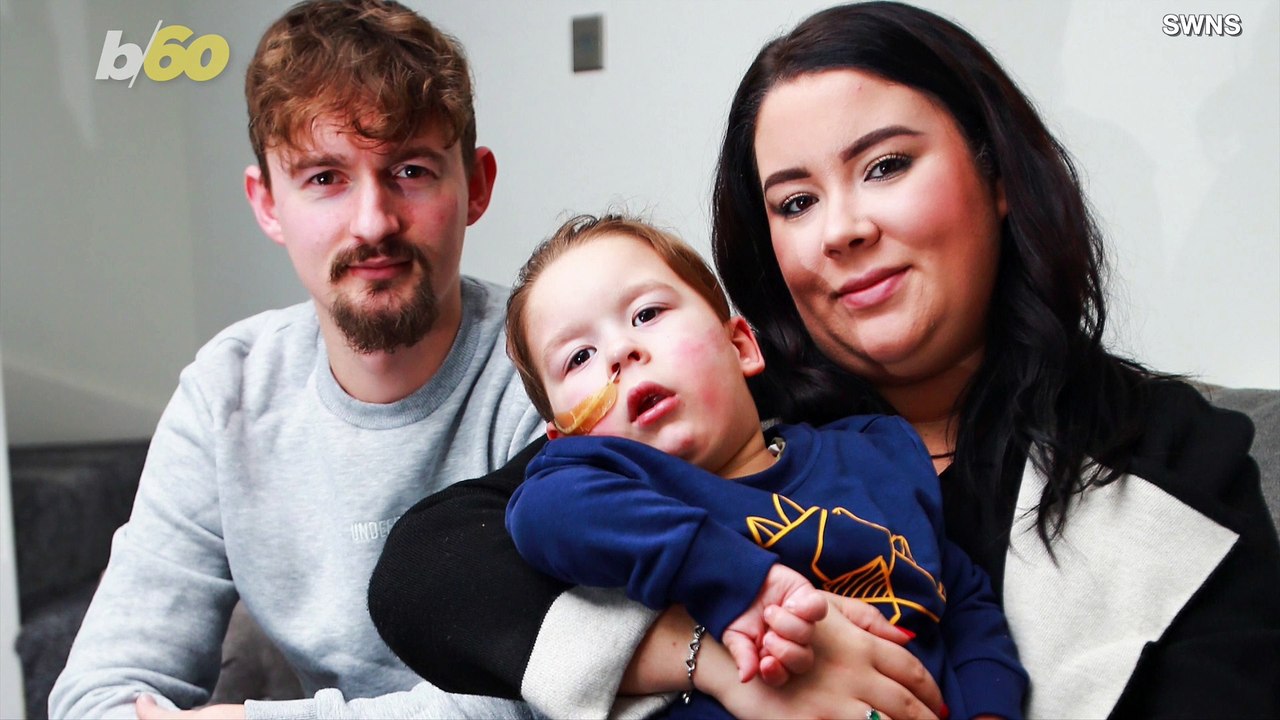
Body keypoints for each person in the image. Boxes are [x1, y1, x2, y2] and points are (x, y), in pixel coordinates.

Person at [369, 2, 1280, 719]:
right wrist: (715, 658)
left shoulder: (1171, 455)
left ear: (995, 176)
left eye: (886, 166)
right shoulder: (712, 426)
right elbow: (428, 570)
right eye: (796, 202)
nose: (843, 230)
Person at [48, 1, 548, 718]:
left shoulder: (551, 366)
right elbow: (96, 694)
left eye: (409, 169)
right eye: (324, 178)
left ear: (475, 185)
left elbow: (567, 688)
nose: (373, 221)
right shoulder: (229, 393)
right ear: (268, 203)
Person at [501, 214, 1027, 719]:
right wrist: (729, 580)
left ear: (741, 346)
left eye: (647, 314)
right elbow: (540, 509)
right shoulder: (602, 499)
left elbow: (959, 598)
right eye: (578, 357)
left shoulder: (876, 453)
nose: (620, 350)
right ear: (563, 439)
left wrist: (987, 709)